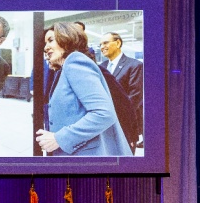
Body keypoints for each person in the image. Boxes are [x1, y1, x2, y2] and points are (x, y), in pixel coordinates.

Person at [36, 22, 132, 156]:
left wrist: (59, 138)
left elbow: (103, 113)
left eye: (51, 40)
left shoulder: (75, 61)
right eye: (45, 43)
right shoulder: (63, 70)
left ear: (66, 38)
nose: (46, 47)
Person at [99, 31, 144, 137]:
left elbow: (135, 97)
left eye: (105, 43)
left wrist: (114, 117)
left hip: (125, 124)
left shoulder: (134, 65)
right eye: (100, 44)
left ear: (118, 43)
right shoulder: (102, 66)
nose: (102, 47)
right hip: (105, 124)